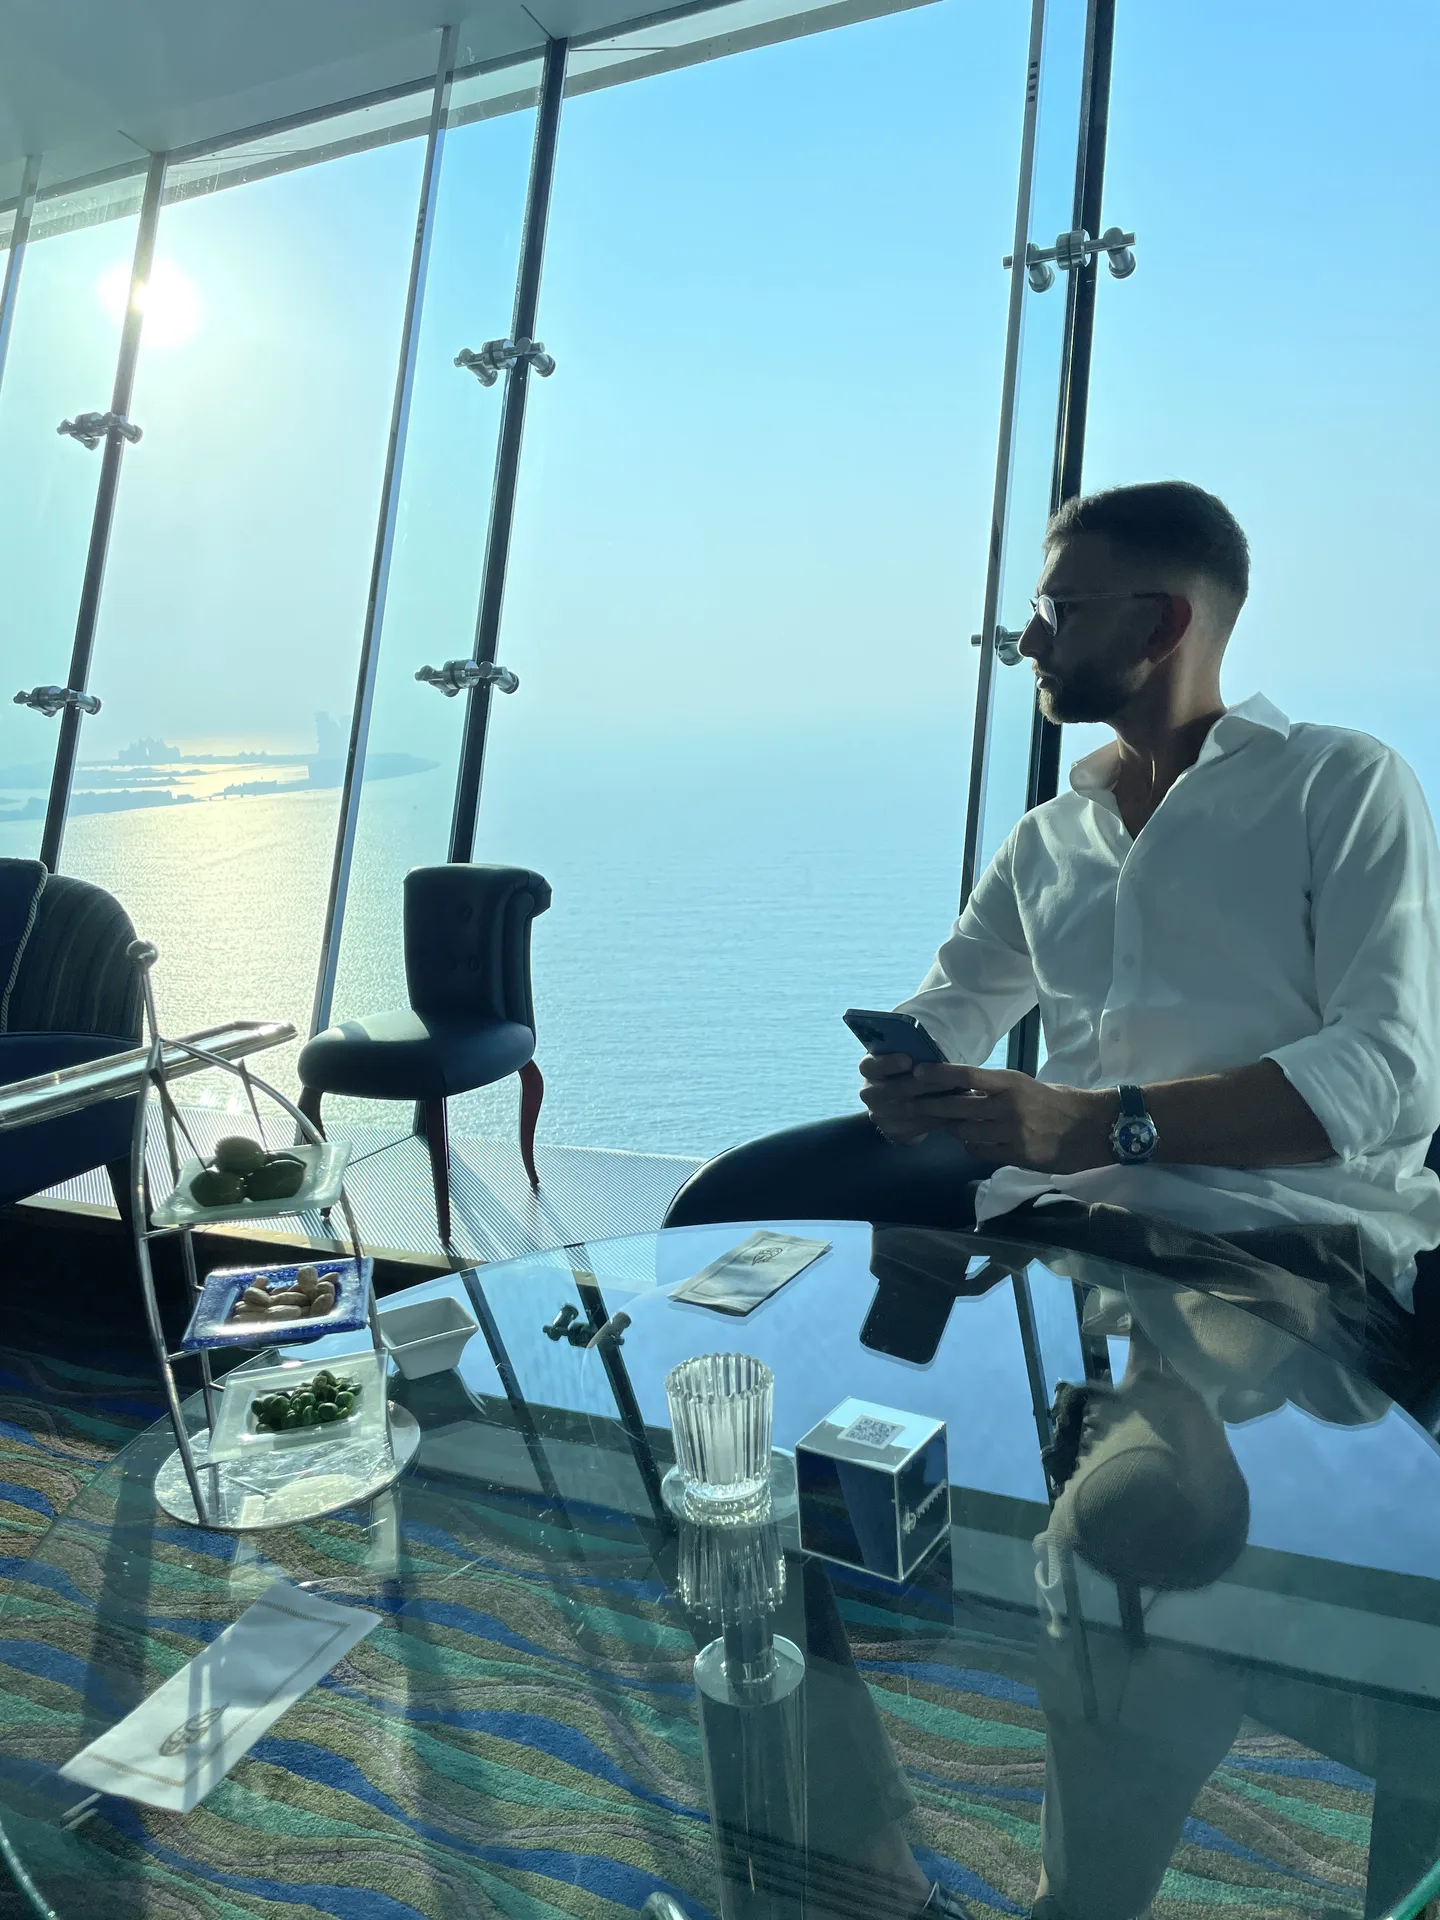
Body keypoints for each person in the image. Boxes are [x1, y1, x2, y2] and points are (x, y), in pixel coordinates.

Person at [665, 481, 1440, 1347]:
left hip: (1281, 1254)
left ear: (1163, 627)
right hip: (1052, 1238)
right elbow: (955, 1003)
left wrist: (1092, 1125)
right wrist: (915, 1076)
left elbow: (1390, 1072)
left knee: (1123, 1475)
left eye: (1060, 610)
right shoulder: (1049, 837)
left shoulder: (1341, 784)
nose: (1029, 639)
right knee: (740, 1338)